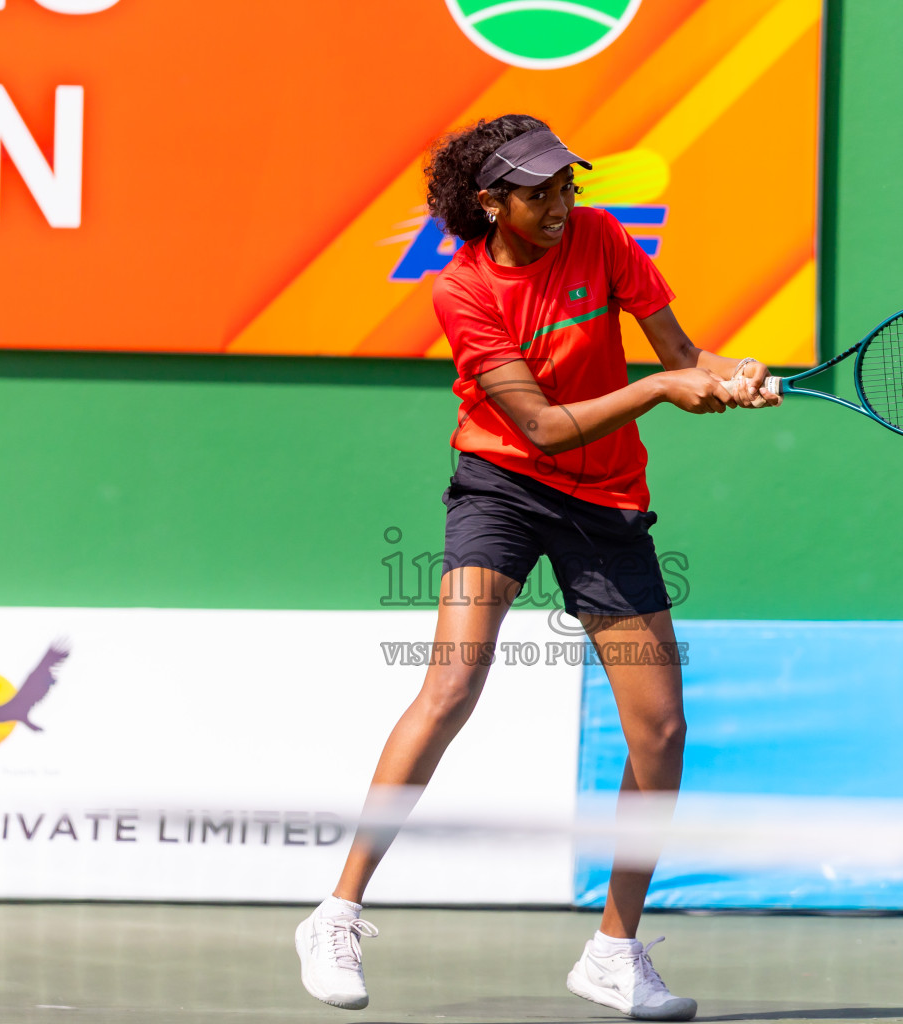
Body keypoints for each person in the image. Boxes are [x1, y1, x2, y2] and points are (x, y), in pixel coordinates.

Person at [295, 115, 778, 1021]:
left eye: (567, 186)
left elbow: (680, 356)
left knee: (661, 732)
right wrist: (663, 391)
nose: (561, 204)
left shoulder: (601, 237)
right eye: (539, 192)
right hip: (503, 489)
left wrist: (731, 373)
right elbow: (549, 426)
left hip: (607, 501)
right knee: (452, 686)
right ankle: (336, 911)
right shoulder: (462, 292)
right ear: (492, 204)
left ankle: (613, 951)